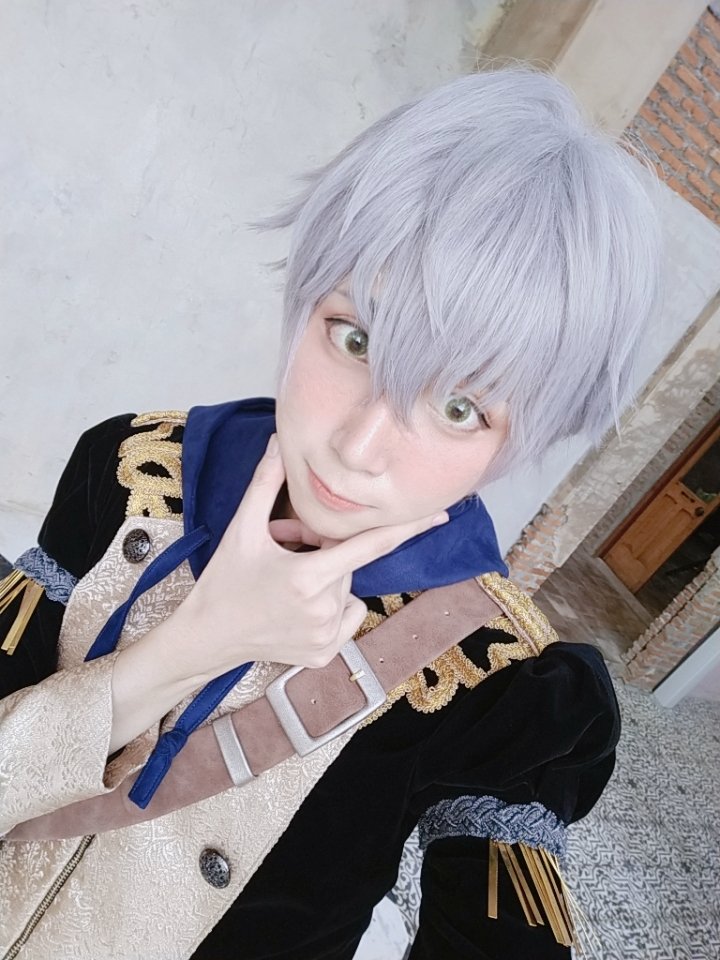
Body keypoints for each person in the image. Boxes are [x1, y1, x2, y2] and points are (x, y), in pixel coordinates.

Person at [0, 65, 661, 959]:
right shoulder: (126, 469)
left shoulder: (502, 683)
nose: (359, 444)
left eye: (459, 407)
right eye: (356, 339)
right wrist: (193, 647)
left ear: (522, 440)